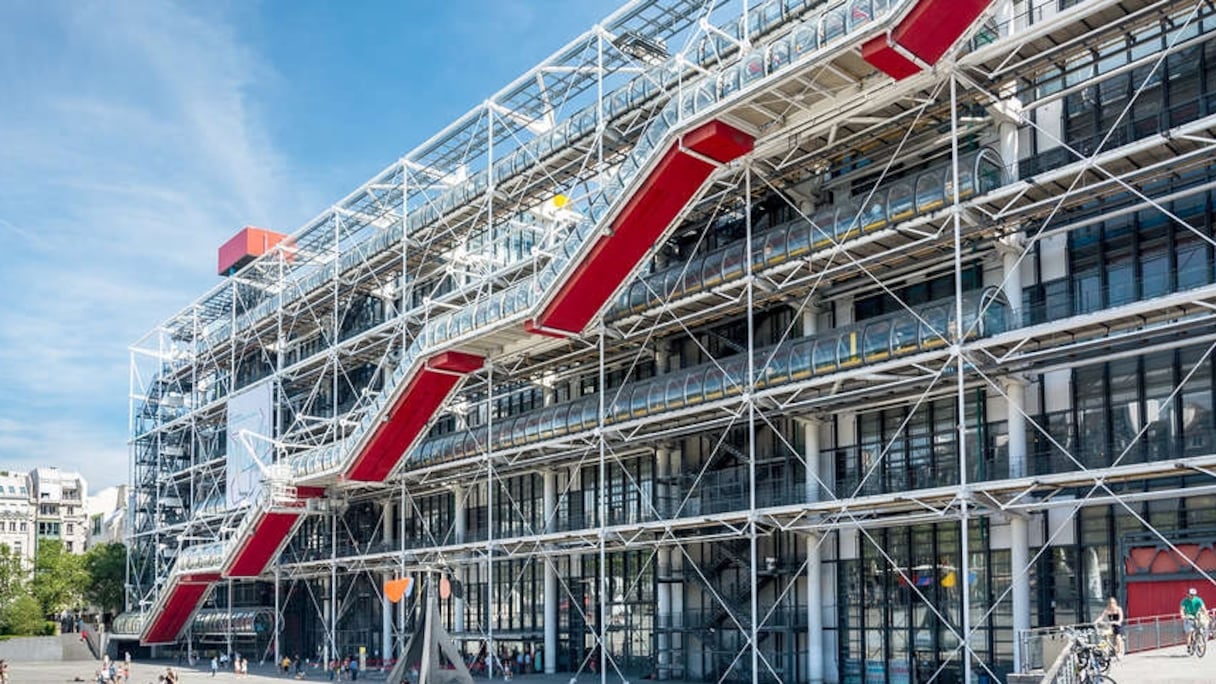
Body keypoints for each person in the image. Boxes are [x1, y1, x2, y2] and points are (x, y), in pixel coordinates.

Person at [1181, 587, 1208, 653]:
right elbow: (1182, 609)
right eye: (1191, 594)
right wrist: (1183, 616)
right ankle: (1189, 646)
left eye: (1194, 595)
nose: (1192, 596)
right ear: (1188, 594)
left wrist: (1206, 614)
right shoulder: (1184, 601)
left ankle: (1199, 640)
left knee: (1200, 626)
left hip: (1196, 616)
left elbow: (1203, 608)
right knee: (1189, 633)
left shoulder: (1198, 600)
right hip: (1188, 617)